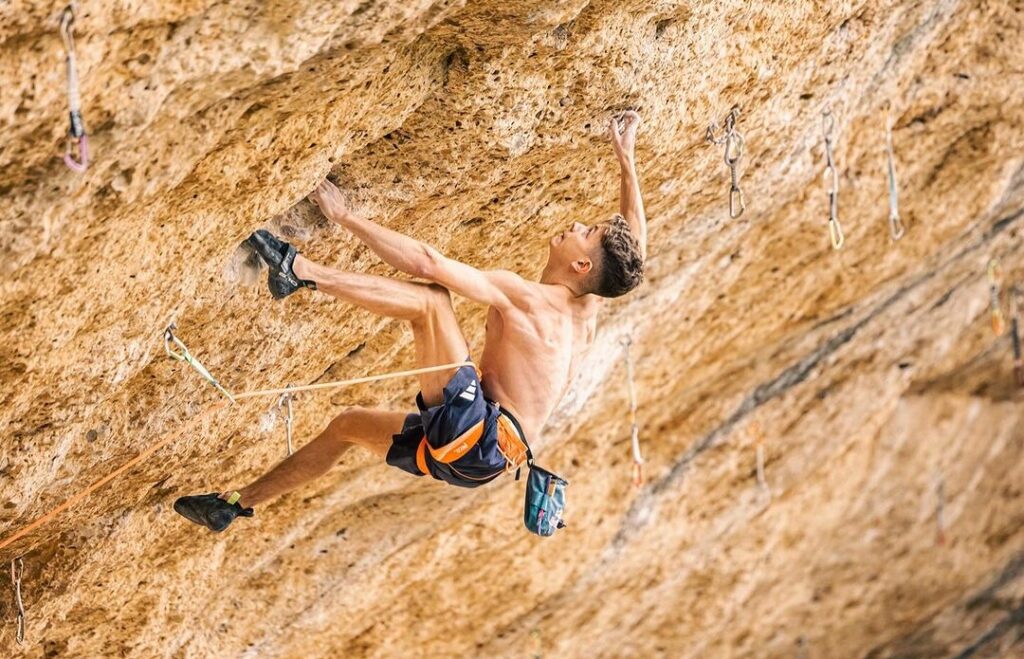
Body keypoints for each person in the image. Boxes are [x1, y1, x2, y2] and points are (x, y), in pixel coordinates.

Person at [173, 111, 647, 532]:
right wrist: (626, 161)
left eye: (589, 233)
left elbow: (427, 263)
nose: (579, 226)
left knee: (432, 303)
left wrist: (345, 217)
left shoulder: (529, 300)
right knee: (347, 426)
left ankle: (298, 271)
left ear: (583, 266)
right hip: (481, 462)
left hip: (478, 434)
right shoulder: (587, 309)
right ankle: (232, 506)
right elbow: (632, 258)